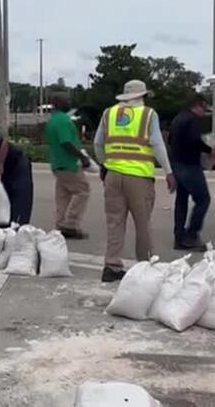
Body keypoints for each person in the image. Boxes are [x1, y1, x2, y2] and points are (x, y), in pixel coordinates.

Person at [94, 80, 176, 283]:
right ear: (143, 96)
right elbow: (157, 144)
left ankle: (111, 266)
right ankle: (144, 267)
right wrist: (168, 172)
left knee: (115, 222)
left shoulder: (109, 113)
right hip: (139, 178)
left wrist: (105, 165)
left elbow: (97, 143)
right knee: (143, 224)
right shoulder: (148, 114)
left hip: (113, 176)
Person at [168, 95, 215, 252]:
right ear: (198, 106)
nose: (204, 113)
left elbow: (170, 140)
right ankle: (191, 235)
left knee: (181, 200)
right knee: (203, 199)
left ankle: (179, 237)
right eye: (204, 109)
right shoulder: (193, 120)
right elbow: (194, 141)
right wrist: (211, 150)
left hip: (177, 164)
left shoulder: (178, 118)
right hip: (189, 166)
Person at [45, 93, 91, 239]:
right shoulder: (63, 121)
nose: (70, 103)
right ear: (59, 103)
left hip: (57, 163)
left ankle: (60, 225)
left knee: (63, 196)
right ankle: (70, 224)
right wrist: (82, 157)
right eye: (68, 100)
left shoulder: (52, 120)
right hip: (68, 163)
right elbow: (66, 142)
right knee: (83, 191)